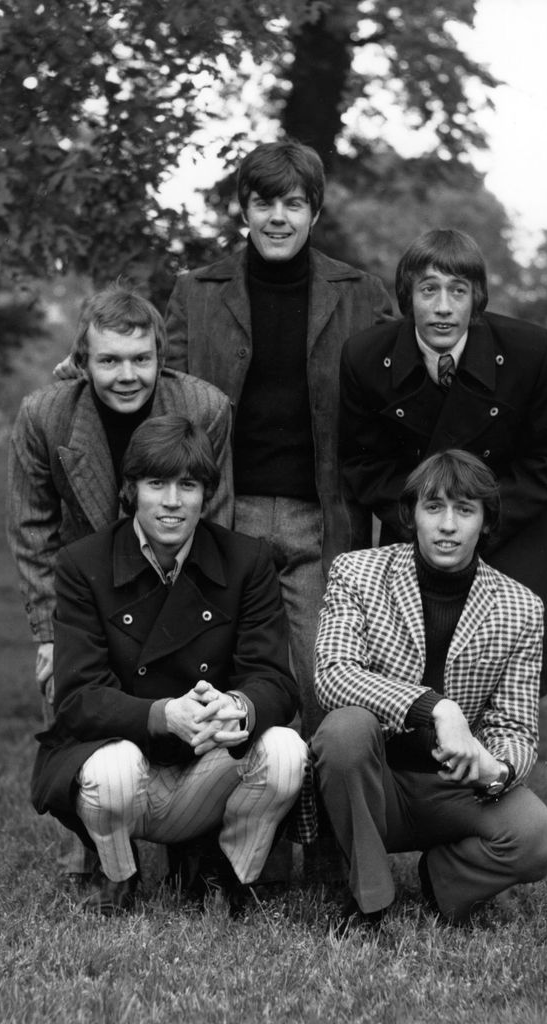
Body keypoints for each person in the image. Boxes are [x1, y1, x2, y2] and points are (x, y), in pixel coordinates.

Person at [30, 415, 307, 915]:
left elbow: (275, 682)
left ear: (207, 493)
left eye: (189, 485)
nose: (173, 501)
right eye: (156, 484)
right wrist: (162, 715)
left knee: (286, 750)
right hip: (124, 762)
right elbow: (77, 699)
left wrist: (236, 707)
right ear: (132, 490)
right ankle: (119, 876)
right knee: (112, 771)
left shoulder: (248, 561)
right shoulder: (82, 564)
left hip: (207, 762)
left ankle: (228, 875)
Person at [164, 138, 393, 737]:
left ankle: (320, 828)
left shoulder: (361, 296)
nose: (277, 218)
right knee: (222, 675)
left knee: (325, 677)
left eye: (293, 204)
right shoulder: (197, 292)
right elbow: (159, 399)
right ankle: (231, 825)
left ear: (314, 212)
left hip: (319, 520)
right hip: (222, 514)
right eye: (263, 203)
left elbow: (405, 394)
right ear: (243, 208)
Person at [7, 284, 233, 881]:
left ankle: (195, 841)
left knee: (190, 707)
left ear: (162, 356)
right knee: (83, 714)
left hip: (178, 586)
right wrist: (47, 632)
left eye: (140, 359)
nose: (126, 375)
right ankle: (94, 855)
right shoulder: (45, 416)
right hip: (87, 590)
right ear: (83, 361)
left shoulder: (204, 408)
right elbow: (33, 530)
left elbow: (215, 523)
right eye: (109, 361)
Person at [311, 450, 547, 931]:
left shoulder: (521, 607)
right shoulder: (357, 572)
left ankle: (442, 881)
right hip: (372, 781)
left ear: (485, 521)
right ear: (412, 516)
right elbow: (333, 674)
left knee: (539, 839)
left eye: (464, 510)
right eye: (434, 508)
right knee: (344, 728)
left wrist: (498, 767)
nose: (448, 525)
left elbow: (516, 728)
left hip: (455, 790)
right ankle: (369, 901)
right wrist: (435, 707)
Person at [339, 229, 547, 694]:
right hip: (414, 537)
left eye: (458, 290)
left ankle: (499, 767)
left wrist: (481, 518)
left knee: (508, 690)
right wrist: (424, 520)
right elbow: (361, 463)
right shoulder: (366, 358)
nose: (444, 307)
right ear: (408, 297)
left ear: (478, 298)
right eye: (429, 289)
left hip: (507, 532)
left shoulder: (532, 352)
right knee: (408, 682)